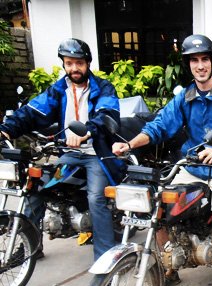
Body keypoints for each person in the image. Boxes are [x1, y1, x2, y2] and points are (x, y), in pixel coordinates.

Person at [112, 34, 212, 286]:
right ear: (188, 65)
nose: (200, 66)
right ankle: (170, 267)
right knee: (159, 209)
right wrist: (129, 144)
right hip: (192, 167)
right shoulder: (184, 97)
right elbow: (159, 126)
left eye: (204, 59)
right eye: (194, 61)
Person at [1, 38, 124, 261]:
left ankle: (106, 257)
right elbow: (32, 112)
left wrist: (87, 130)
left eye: (78, 63)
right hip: (69, 155)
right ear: (64, 65)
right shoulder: (58, 90)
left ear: (87, 63)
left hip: (96, 154)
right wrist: (6, 130)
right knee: (37, 186)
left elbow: (108, 115)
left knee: (96, 198)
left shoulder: (104, 87)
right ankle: (31, 246)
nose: (74, 68)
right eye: (69, 63)